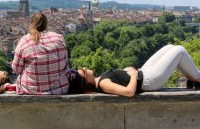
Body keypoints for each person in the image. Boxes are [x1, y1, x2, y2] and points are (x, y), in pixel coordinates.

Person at [68, 44, 200, 97]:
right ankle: (197, 78)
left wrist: (126, 71)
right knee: (180, 50)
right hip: (150, 80)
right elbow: (129, 92)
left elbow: (120, 79)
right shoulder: (103, 84)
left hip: (145, 73)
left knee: (170, 47)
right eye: (83, 72)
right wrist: (132, 75)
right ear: (86, 81)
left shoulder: (99, 80)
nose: (84, 68)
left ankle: (193, 79)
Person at [11, 13, 70, 94]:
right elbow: (65, 60)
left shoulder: (24, 41)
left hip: (31, 90)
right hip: (59, 88)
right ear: (46, 24)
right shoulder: (59, 38)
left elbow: (16, 69)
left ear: (31, 24)